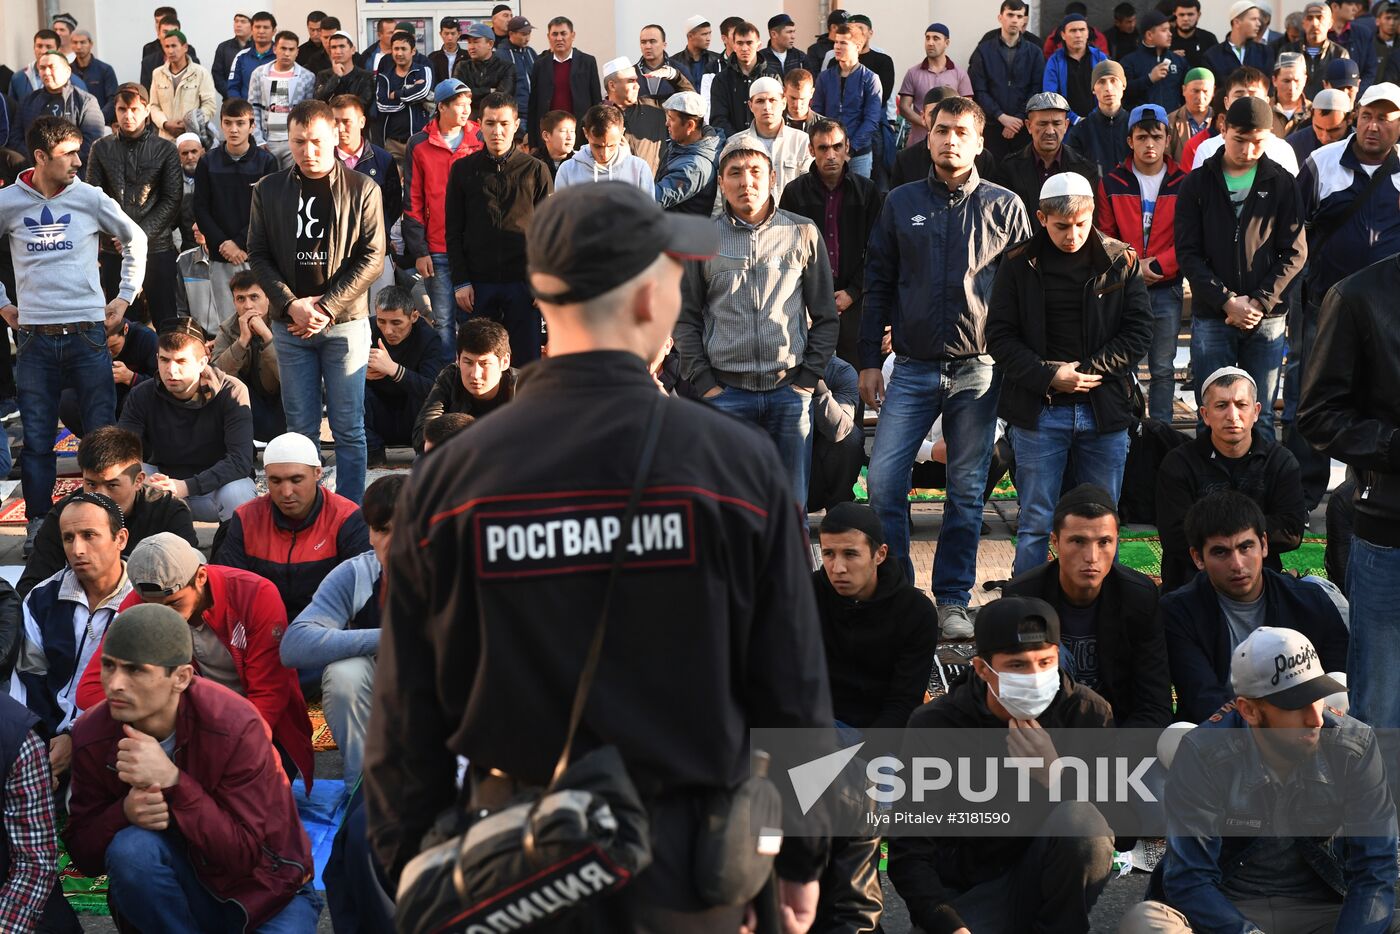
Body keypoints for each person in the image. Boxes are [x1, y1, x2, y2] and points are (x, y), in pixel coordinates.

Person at [365, 179, 831, 929]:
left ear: (545, 303)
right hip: (691, 878)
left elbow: (402, 722)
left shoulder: (449, 479)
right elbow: (797, 693)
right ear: (650, 299)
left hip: (512, 871)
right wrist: (802, 862)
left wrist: (418, 869)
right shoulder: (738, 468)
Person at [861, 96, 1032, 639]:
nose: (949, 140)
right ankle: (898, 594)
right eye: (941, 130)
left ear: (980, 141)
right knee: (885, 482)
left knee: (966, 489)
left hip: (978, 370)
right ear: (926, 136)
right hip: (909, 367)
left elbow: (1025, 295)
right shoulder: (900, 202)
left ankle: (952, 600)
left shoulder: (1006, 206)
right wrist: (868, 361)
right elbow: (878, 284)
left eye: (961, 131)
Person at [1122, 626, 1399, 934]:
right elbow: (1190, 880)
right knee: (1145, 925)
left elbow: (1375, 871)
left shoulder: (1353, 745)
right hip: (1226, 910)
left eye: (1318, 697)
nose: (1315, 718)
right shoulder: (1203, 752)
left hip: (1323, 908)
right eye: (1296, 704)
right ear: (1249, 710)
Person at [64, 604, 321, 932]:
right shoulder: (92, 735)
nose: (114, 684)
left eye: (135, 670)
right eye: (108, 666)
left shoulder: (236, 726)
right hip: (178, 893)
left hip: (267, 893)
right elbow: (83, 858)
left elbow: (246, 855)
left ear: (181, 677)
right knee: (131, 850)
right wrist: (124, 812)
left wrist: (173, 781)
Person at [888, 596, 1116, 933]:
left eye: (1045, 662)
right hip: (970, 893)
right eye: (1018, 666)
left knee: (1082, 822)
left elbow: (1118, 828)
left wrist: (1055, 777)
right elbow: (909, 848)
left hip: (1046, 884)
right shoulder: (936, 725)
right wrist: (946, 921)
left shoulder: (1087, 712)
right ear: (982, 669)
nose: (1036, 678)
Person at [988, 171, 1151, 576]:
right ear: (1041, 218)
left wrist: (1085, 373)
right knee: (1035, 523)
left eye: (1081, 224)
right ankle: (1027, 608)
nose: (1072, 235)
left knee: (1101, 521)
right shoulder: (1017, 263)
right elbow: (1000, 337)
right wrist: (1049, 376)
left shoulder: (1120, 259)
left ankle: (1101, 608)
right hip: (1040, 411)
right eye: (1062, 226)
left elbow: (1139, 332)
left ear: (1092, 214)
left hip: (1104, 408)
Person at [0, 117, 147, 556]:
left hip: (87, 335)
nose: (79, 162)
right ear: (41, 157)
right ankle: (40, 529)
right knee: (39, 441)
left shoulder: (89, 197)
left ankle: (107, 519)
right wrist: (3, 303)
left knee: (101, 437)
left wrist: (123, 299)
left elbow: (135, 237)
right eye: (69, 154)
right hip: (35, 340)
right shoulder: (8, 201)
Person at [75, 533, 316, 790]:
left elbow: (268, 698)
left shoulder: (255, 595)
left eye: (174, 604)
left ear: (201, 577)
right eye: (154, 608)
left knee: (253, 801)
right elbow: (90, 690)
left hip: (259, 728)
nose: (165, 619)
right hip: (180, 730)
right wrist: (156, 713)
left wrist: (219, 752)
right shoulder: (138, 604)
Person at [677, 136, 838, 506]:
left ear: (772, 179)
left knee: (790, 511)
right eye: (734, 173)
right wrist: (704, 383)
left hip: (789, 394)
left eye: (755, 172)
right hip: (726, 395)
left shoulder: (802, 232)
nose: (745, 182)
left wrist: (807, 380)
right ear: (721, 182)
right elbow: (685, 320)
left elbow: (826, 317)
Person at [247, 100, 386, 506]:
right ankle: (307, 512)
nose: (308, 151)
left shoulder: (363, 188)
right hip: (290, 327)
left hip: (344, 324)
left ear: (336, 138)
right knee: (300, 431)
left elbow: (372, 257)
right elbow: (258, 254)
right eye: (299, 142)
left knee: (348, 428)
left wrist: (325, 307)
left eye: (316, 142)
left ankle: (349, 513)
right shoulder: (269, 190)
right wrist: (291, 305)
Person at [1298, 201, 1400, 730]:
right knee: (1381, 711)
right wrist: (1393, 446)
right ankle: (1379, 812)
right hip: (1388, 530)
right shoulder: (1359, 296)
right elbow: (1318, 415)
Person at [810, 501, 935, 931]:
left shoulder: (916, 613)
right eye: (828, 554)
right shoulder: (806, 597)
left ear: (879, 554)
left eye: (850, 554)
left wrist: (854, 758)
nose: (837, 567)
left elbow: (902, 705)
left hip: (881, 744)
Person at [1293, 81, 1400, 508]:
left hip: (1389, 315)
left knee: (1380, 402)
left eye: (1385, 118)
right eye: (1368, 116)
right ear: (1355, 116)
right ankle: (1305, 493)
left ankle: (1366, 490)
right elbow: (1292, 228)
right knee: (1316, 397)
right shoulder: (1321, 162)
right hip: (1327, 304)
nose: (1373, 126)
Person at [1161, 490, 1347, 722]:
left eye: (1246, 547)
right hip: (1224, 738)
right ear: (1198, 557)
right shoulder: (1178, 612)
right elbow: (1203, 698)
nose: (1237, 565)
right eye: (1221, 552)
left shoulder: (1309, 601)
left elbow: (1339, 681)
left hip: (1304, 726)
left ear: (1264, 545)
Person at [1177, 95, 1306, 412]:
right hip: (1213, 316)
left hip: (1266, 318)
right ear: (1223, 128)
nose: (1248, 151)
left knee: (1258, 416)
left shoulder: (1282, 183)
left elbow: (1295, 252)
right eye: (1240, 141)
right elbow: (1188, 252)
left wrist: (1259, 300)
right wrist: (1225, 300)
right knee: (1212, 414)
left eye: (1257, 142)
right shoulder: (1197, 183)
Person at [1004, 485, 1172, 727]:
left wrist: (1117, 757)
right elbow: (1010, 694)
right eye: (1078, 541)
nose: (1092, 556)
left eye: (1104, 542)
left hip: (1119, 732)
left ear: (1117, 543)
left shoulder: (1139, 596)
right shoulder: (1023, 597)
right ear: (1055, 542)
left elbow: (1155, 702)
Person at [283, 474, 402, 788]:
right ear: (370, 534)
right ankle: (363, 787)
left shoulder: (461, 570)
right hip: (383, 686)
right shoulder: (357, 573)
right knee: (343, 674)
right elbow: (295, 643)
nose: (391, 543)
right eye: (381, 530)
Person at [10, 492, 134, 776]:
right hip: (48, 732)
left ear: (121, 539)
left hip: (114, 731)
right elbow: (30, 679)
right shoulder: (42, 598)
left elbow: (140, 690)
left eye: (89, 535)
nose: (77, 549)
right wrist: (39, 738)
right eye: (68, 538)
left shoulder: (142, 602)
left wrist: (75, 734)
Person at [1156, 366, 1307, 592]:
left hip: (1261, 583)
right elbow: (1175, 536)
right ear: (1205, 415)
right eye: (1221, 406)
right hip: (1192, 586)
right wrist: (1251, 535)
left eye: (1241, 405)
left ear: (1256, 411)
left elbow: (1291, 532)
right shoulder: (1178, 463)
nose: (1232, 416)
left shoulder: (1280, 462)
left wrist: (1212, 532)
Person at [18, 427, 196, 601]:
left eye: (112, 485)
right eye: (91, 484)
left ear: (138, 481)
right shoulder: (66, 514)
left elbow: (192, 584)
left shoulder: (169, 511)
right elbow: (32, 587)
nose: (100, 496)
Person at [1095, 103, 1189, 424]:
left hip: (1167, 287)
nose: (1150, 144)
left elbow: (1187, 238)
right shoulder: (1112, 182)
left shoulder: (1183, 183)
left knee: (1163, 367)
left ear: (1167, 139)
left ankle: (1160, 431)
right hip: (1125, 286)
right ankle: (1129, 426)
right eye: (1142, 136)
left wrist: (1160, 267)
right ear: (1130, 141)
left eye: (1156, 137)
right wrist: (1136, 267)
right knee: (1125, 363)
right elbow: (1105, 235)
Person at [443, 93, 552, 366]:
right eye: (490, 123)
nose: (497, 131)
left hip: (524, 286)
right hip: (477, 286)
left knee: (525, 366)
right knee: (478, 363)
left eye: (504, 123)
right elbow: (453, 229)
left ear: (516, 124)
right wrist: (461, 281)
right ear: (479, 124)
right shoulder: (462, 170)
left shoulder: (536, 170)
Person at [215, 431, 370, 622]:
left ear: (318, 474)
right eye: (275, 481)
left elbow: (362, 596)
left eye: (296, 480)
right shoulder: (245, 518)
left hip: (328, 628)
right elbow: (228, 590)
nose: (286, 492)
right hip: (260, 628)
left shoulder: (347, 518)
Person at [117, 320, 257, 525]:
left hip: (216, 487)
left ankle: (234, 552)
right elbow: (121, 452)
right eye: (164, 360)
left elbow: (240, 461)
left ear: (203, 363)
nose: (171, 371)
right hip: (161, 482)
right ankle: (136, 549)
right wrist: (142, 479)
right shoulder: (141, 394)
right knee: (120, 480)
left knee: (239, 493)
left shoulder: (232, 391)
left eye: (181, 361)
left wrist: (186, 486)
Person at [780, 119, 884, 368]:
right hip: (805, 301)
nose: (831, 155)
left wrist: (853, 292)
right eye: (823, 148)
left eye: (837, 147)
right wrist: (803, 296)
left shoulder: (866, 191)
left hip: (855, 298)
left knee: (855, 377)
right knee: (805, 374)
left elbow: (878, 250)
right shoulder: (795, 192)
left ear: (847, 147)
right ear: (811, 150)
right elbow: (783, 250)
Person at [86, 84, 182, 333]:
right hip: (113, 249)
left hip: (157, 248)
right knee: (120, 325)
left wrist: (133, 238)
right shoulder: (101, 147)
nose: (128, 115)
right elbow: (93, 199)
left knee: (166, 321)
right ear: (115, 111)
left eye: (134, 109)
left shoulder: (166, 149)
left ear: (147, 110)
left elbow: (172, 200)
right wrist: (115, 236)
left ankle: (168, 372)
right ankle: (126, 373)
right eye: (122, 109)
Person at [403, 78, 482, 353]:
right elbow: (413, 199)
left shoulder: (480, 138)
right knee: (443, 323)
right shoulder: (419, 144)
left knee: (475, 321)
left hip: (474, 247)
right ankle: (446, 384)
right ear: (441, 107)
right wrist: (419, 250)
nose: (466, 111)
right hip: (436, 249)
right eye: (459, 105)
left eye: (468, 105)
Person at [193, 98, 280, 329]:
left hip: (257, 255)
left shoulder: (267, 162)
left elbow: (270, 211)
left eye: (240, 123)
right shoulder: (207, 162)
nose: (233, 129)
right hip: (221, 256)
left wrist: (240, 243)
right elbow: (200, 208)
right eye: (228, 123)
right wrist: (223, 243)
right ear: (221, 124)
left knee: (263, 320)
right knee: (229, 322)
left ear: (252, 126)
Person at [364, 287, 447, 463]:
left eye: (396, 323)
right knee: (351, 390)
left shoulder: (428, 338)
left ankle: (424, 451)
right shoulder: (366, 330)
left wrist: (394, 370)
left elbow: (434, 390)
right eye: (382, 321)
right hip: (376, 415)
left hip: (414, 418)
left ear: (414, 317)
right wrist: (360, 374)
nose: (388, 330)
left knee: (429, 394)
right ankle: (372, 452)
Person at [995, 91, 1100, 231]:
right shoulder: (1009, 169)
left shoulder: (1085, 171)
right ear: (1028, 126)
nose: (1050, 131)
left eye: (1057, 123)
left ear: (1066, 125)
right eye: (1042, 124)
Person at [411, 318, 519, 453]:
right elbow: (422, 435)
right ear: (458, 359)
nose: (475, 374)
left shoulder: (524, 386)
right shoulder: (450, 378)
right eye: (468, 362)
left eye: (485, 364)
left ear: (504, 362)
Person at [210, 271, 285, 443]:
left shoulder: (285, 322)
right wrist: (242, 341)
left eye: (254, 297)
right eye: (241, 299)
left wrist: (267, 337)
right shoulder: (228, 328)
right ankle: (239, 451)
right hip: (252, 402)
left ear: (268, 298)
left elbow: (293, 377)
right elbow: (216, 376)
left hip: (284, 403)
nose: (248, 305)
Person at [715, 77, 811, 207]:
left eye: (773, 100)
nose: (767, 107)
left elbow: (809, 188)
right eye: (760, 101)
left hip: (791, 221)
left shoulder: (802, 142)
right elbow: (723, 192)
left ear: (783, 103)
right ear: (750, 105)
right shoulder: (735, 143)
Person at [970, 0, 1045, 159]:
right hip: (991, 127)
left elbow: (1036, 89)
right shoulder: (983, 51)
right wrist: (1001, 116)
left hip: (1024, 128)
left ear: (1024, 20)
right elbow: (979, 90)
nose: (1015, 20)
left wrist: (1018, 119)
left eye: (1019, 16)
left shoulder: (1035, 53)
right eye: (1010, 15)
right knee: (992, 176)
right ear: (1000, 17)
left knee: (1022, 177)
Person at [8, 52, 104, 163]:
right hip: (35, 166)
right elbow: (15, 137)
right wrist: (38, 158)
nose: (46, 72)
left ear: (68, 71)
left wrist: (60, 159)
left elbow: (92, 142)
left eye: (51, 67)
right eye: (42, 68)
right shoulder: (28, 101)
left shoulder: (86, 101)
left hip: (74, 170)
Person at [811, 25, 880, 178]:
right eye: (836, 42)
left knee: (857, 197)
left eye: (843, 43)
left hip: (858, 154)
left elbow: (871, 120)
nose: (837, 47)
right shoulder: (825, 77)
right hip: (828, 151)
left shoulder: (870, 79)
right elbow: (817, 114)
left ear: (857, 46)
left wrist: (850, 150)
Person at [526, 17, 601, 153]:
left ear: (572, 35)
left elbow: (596, 102)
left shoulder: (587, 62)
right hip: (548, 135)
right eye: (555, 34)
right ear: (549, 37)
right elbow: (533, 106)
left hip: (580, 134)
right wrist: (533, 143)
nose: (559, 38)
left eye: (563, 33)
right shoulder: (540, 64)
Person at [897, 24, 973, 151]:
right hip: (918, 142)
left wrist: (948, 124)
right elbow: (904, 107)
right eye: (927, 38)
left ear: (946, 42)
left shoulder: (959, 74)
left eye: (936, 38)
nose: (930, 43)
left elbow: (968, 107)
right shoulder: (913, 73)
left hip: (949, 144)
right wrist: (925, 122)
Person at [248, 30, 316, 169]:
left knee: (291, 181)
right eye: (283, 48)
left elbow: (308, 114)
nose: (287, 53)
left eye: (291, 49)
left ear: (297, 51)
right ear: (274, 49)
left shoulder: (307, 76)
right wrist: (258, 139)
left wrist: (301, 141)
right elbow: (252, 108)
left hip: (292, 141)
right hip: (267, 141)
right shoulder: (259, 74)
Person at [555, 103, 654, 191]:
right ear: (586, 133)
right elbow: (560, 211)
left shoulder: (639, 169)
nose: (604, 154)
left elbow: (648, 211)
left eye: (611, 146)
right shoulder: (568, 170)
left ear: (622, 133)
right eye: (597, 146)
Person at [654, 91, 722, 214]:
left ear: (690, 125)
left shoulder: (693, 168)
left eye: (671, 119)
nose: (666, 123)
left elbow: (653, 199)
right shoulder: (681, 143)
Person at [374, 30, 433, 167]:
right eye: (396, 49)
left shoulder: (423, 70)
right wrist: (410, 96)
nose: (399, 53)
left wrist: (397, 94)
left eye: (403, 49)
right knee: (393, 184)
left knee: (416, 183)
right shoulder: (384, 76)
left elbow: (423, 92)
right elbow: (382, 105)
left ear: (413, 51)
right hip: (392, 142)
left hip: (418, 138)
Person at [601, 57, 668, 176]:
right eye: (631, 81)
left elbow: (690, 100)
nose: (637, 86)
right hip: (615, 191)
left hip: (654, 190)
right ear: (612, 86)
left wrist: (673, 75)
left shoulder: (654, 107)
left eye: (636, 81)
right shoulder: (595, 118)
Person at [149, 28, 216, 144]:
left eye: (174, 46)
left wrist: (191, 123)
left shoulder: (200, 73)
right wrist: (165, 123)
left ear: (185, 47)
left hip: (192, 138)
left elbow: (209, 105)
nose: (170, 51)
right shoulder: (157, 73)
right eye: (167, 47)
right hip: (165, 138)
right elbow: (153, 106)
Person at [1066, 59, 1132, 175]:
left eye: (1113, 80)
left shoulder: (1135, 127)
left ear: (1123, 85)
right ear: (1093, 89)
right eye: (1101, 82)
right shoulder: (1080, 131)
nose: (1108, 88)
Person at [1043, 14, 1109, 122]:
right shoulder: (1054, 61)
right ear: (1063, 35)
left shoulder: (1100, 58)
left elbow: (1109, 90)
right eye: (1073, 31)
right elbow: (1050, 96)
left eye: (1082, 30)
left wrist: (1095, 117)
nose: (1078, 35)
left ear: (1087, 33)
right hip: (1066, 124)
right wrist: (1075, 119)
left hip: (1098, 121)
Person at [1280, 1, 1354, 98]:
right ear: (1303, 23)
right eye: (1309, 18)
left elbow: (1343, 89)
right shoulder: (1288, 51)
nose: (1314, 23)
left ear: (1330, 23)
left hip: (1326, 108)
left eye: (1320, 18)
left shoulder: (1339, 54)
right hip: (1296, 108)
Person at [1123, 10, 1188, 112]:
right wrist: (1149, 79)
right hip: (1143, 124)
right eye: (1164, 30)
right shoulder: (1130, 61)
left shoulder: (1178, 60)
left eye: (1169, 30)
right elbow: (1123, 92)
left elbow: (1187, 90)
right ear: (1149, 35)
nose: (1170, 34)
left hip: (1173, 123)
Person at [452, 23, 516, 121]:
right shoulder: (462, 66)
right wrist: (489, 90)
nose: (471, 47)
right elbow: (458, 96)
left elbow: (501, 98)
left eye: (476, 42)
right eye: (469, 42)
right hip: (468, 122)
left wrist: (472, 93)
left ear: (490, 44)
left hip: (495, 121)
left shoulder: (506, 67)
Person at [1287, 86, 1354, 162]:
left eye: (1333, 130)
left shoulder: (1362, 146)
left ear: (1350, 119)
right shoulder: (1292, 145)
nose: (1325, 137)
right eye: (1319, 128)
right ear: (1311, 117)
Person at [315, 29, 375, 114]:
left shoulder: (365, 76)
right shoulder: (323, 75)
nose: (338, 51)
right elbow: (319, 100)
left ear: (353, 49)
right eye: (334, 47)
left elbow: (364, 104)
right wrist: (336, 77)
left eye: (342, 46)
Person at [496, 15, 538, 131]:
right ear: (511, 34)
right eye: (524, 34)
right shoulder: (501, 55)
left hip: (534, 113)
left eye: (529, 33)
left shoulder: (530, 52)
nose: (528, 37)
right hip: (515, 114)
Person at [69, 29, 119, 124]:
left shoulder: (105, 69)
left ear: (91, 44)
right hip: (74, 124)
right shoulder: (67, 71)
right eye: (75, 43)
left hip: (102, 123)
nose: (78, 47)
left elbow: (113, 99)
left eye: (83, 42)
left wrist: (99, 117)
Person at [1167, 66, 1214, 162]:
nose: (1200, 97)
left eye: (1205, 91)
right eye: (1195, 91)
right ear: (1184, 90)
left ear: (1213, 91)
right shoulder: (1170, 121)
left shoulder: (1221, 121)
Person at [227, 10, 276, 101]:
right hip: (246, 112)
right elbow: (233, 87)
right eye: (257, 27)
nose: (261, 31)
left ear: (274, 31)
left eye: (266, 27)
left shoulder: (280, 56)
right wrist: (241, 108)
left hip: (273, 111)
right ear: (252, 30)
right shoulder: (241, 56)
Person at [1270, 51, 1312, 137]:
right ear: (1274, 80)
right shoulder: (1264, 109)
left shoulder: (1313, 111)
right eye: (1286, 81)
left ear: (1305, 80)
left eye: (1297, 81)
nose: (1291, 87)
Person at [211, 12, 251, 98]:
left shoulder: (257, 47)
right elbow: (217, 76)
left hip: (252, 101)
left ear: (252, 25)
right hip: (230, 101)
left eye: (243, 22)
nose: (238, 25)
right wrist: (231, 95)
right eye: (236, 21)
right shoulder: (224, 47)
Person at [1171, 0, 1221, 68]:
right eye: (1181, 15)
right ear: (1174, 15)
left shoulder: (1209, 39)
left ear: (1198, 15)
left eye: (1190, 14)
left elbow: (1219, 66)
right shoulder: (1165, 39)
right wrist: (1169, 57)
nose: (1185, 19)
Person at [535, 109, 576, 179]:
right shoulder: (533, 164)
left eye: (572, 131)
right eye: (563, 131)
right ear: (546, 136)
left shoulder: (579, 162)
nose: (570, 137)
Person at [783, 68, 823, 134]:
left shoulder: (823, 126)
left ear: (812, 93)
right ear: (784, 91)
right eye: (793, 98)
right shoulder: (774, 123)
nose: (797, 104)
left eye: (802, 99)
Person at [428, 16, 461, 83]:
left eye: (453, 33)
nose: (449, 38)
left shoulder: (467, 57)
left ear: (459, 34)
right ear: (441, 34)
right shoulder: (433, 57)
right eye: (446, 33)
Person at [298, 10, 329, 74]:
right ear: (307, 27)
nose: (315, 34)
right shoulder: (299, 52)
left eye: (319, 30)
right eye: (312, 30)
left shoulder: (333, 50)